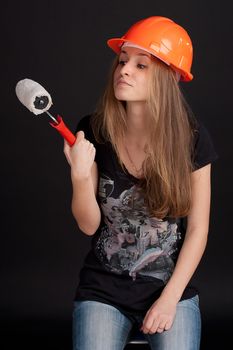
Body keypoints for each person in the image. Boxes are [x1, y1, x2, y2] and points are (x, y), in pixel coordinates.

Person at [64, 16, 218, 350]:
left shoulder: (192, 138)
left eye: (141, 65)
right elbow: (89, 226)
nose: (125, 70)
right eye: (122, 61)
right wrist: (79, 175)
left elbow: (198, 231)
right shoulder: (93, 130)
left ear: (168, 77)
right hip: (103, 290)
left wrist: (169, 298)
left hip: (169, 289)